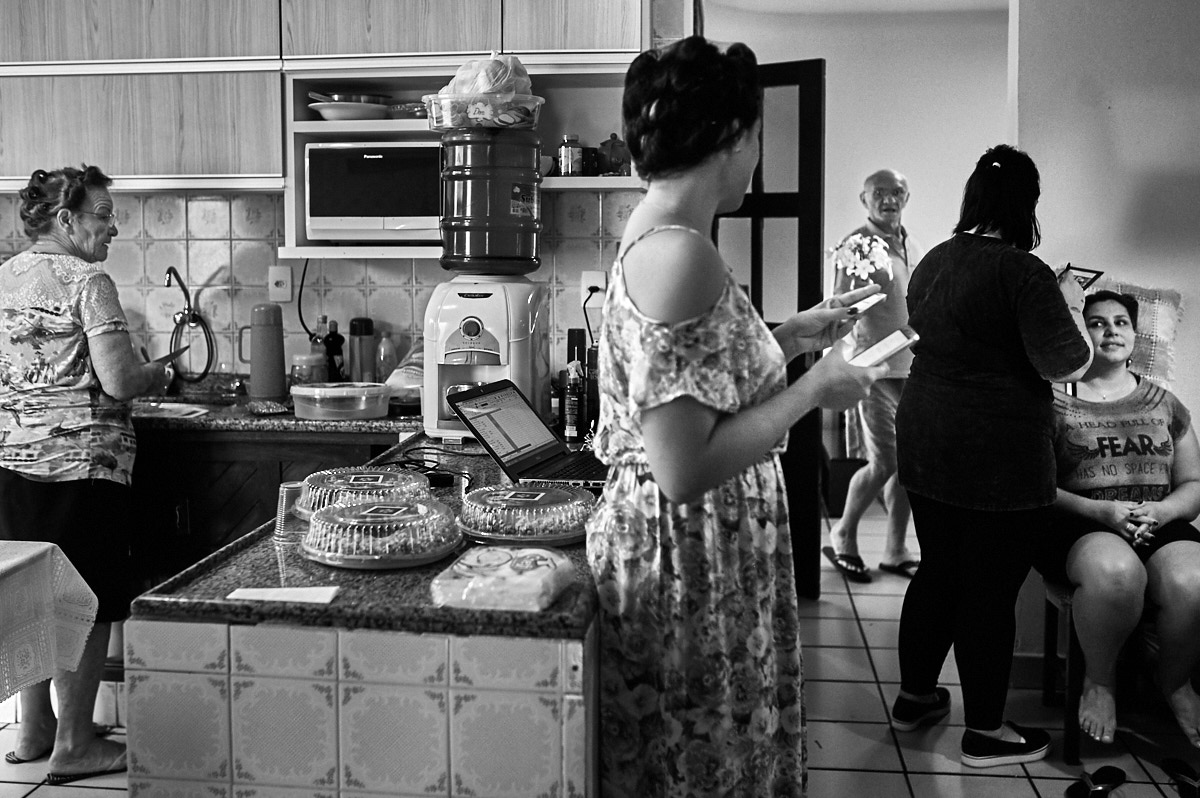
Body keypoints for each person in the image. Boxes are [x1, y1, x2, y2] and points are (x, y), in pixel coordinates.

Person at [587, 36, 889, 797]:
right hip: (686, 554)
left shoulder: (665, 235)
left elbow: (694, 387)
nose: (758, 153)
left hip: (699, 549)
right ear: (730, 135)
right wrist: (815, 390)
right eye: (756, 133)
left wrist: (792, 336)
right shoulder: (681, 254)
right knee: (700, 766)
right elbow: (681, 468)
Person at [890, 144, 1094, 767]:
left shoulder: (934, 259)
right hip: (998, 454)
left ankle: (915, 698)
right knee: (988, 591)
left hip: (925, 436)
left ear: (973, 196)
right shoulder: (1024, 272)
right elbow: (1066, 363)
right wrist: (1071, 304)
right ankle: (985, 731)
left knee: (937, 570)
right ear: (1027, 204)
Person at [0, 165, 173, 784]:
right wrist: (160, 372)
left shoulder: (4, 276)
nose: (114, 226)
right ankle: (75, 743)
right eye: (103, 214)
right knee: (86, 602)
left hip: (14, 461)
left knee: (30, 594)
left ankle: (34, 728)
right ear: (66, 219)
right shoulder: (87, 280)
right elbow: (120, 380)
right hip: (83, 465)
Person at [1036, 290, 1200, 747]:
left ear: (1134, 334)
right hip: (1079, 522)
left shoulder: (1165, 402)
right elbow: (1034, 487)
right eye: (1096, 322)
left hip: (1156, 519)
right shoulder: (1049, 401)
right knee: (1117, 574)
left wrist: (1163, 511)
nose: (1110, 331)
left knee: (1195, 579)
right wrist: (1101, 511)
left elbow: (1193, 484)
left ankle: (1175, 681)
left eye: (1120, 322)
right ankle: (1099, 681)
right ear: (1078, 334)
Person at [825, 169, 923, 582]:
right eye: (878, 192)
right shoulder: (857, 245)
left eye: (896, 191)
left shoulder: (910, 243)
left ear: (906, 197)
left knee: (908, 464)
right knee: (885, 461)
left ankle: (896, 549)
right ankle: (843, 534)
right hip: (874, 368)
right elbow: (841, 308)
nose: (888, 199)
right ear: (864, 199)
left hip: (911, 368)